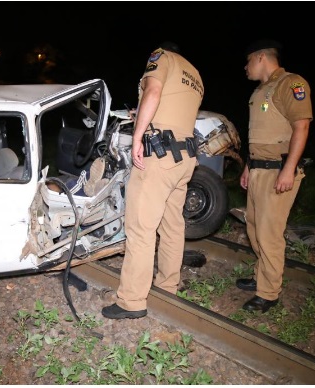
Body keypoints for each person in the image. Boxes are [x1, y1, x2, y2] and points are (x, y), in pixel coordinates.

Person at [102, 41, 204, 319]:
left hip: (159, 157)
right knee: (172, 225)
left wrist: (137, 135)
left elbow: (154, 91)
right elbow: (173, 109)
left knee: (140, 229)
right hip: (185, 159)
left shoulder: (161, 58)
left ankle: (131, 301)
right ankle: (168, 286)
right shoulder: (194, 74)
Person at [236, 40, 313, 313]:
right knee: (254, 228)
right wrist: (248, 165)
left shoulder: (291, 84)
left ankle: (268, 293)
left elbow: (301, 127)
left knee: (269, 234)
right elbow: (259, 135)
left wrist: (289, 169)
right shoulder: (260, 91)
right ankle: (261, 277)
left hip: (278, 171)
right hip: (258, 169)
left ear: (260, 57)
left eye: (248, 61)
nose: (245, 67)